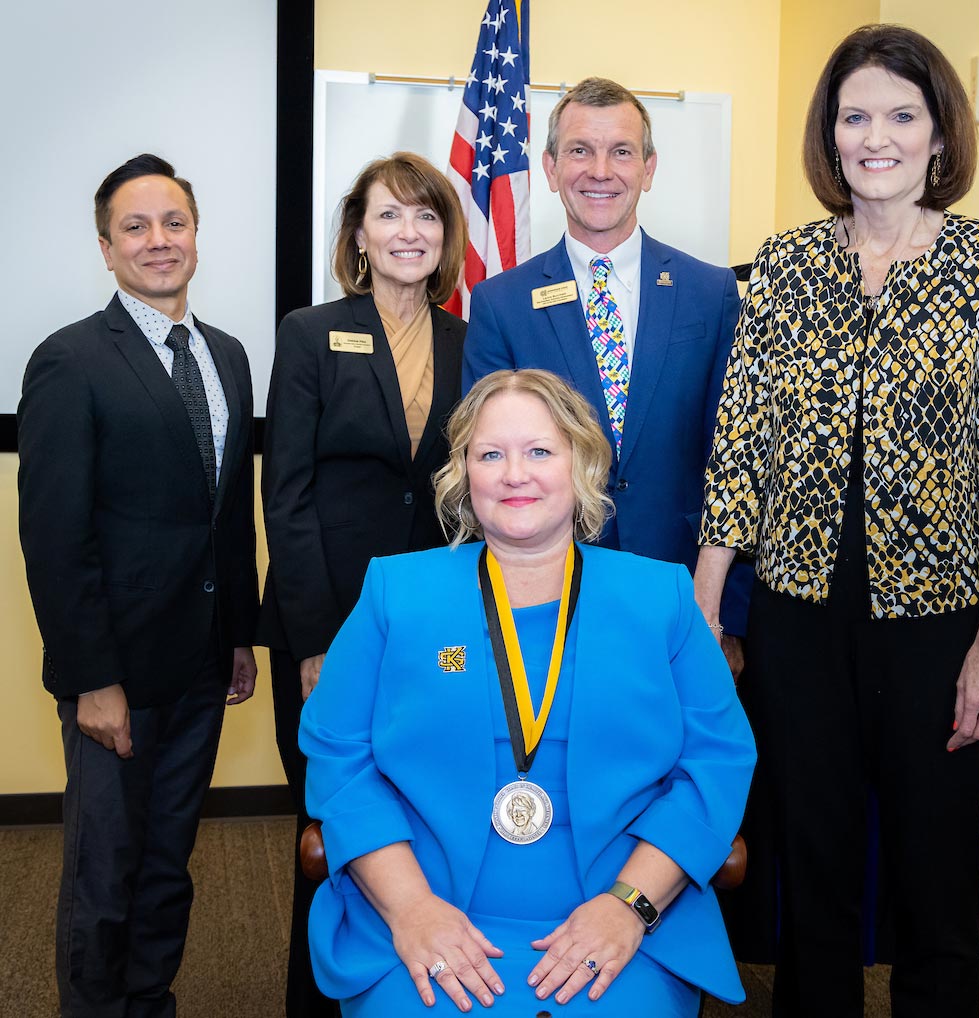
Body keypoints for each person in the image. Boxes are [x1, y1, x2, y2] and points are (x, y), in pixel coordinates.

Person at [695, 24, 979, 1018]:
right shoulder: (785, 264)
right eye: (854, 116)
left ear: (937, 137)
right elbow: (740, 444)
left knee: (936, 871)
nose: (874, 137)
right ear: (830, 134)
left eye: (900, 115)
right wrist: (707, 602)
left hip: (940, 620)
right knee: (811, 861)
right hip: (799, 615)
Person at [299, 369, 756, 1016]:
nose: (515, 473)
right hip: (428, 911)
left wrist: (629, 908)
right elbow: (340, 758)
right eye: (490, 454)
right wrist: (410, 909)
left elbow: (717, 762)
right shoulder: (395, 593)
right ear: (463, 472)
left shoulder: (662, 598)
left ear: (581, 462)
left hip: (622, 915)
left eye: (539, 450)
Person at [17, 153, 259, 1018]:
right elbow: (53, 535)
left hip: (199, 669)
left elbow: (226, 516)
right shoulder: (69, 359)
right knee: (103, 876)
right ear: (106, 247)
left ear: (195, 235)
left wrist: (239, 635)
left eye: (174, 223)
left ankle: (148, 1001)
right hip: (115, 675)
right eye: (136, 227)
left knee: (168, 866)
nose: (159, 242)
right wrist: (92, 678)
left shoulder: (228, 355)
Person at [258, 151, 469, 1018]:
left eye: (425, 217)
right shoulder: (311, 333)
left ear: (446, 236)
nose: (408, 232)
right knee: (336, 822)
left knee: (426, 811)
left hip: (437, 619)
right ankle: (317, 998)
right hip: (332, 617)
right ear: (358, 234)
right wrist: (315, 641)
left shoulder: (470, 337)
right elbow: (287, 495)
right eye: (389, 216)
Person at [462, 77, 752, 672]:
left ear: (648, 168)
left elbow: (736, 454)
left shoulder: (711, 292)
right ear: (548, 167)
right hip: (541, 601)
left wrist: (729, 613)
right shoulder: (501, 304)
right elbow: (487, 463)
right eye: (579, 150)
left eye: (621, 151)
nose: (600, 170)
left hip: (683, 597)